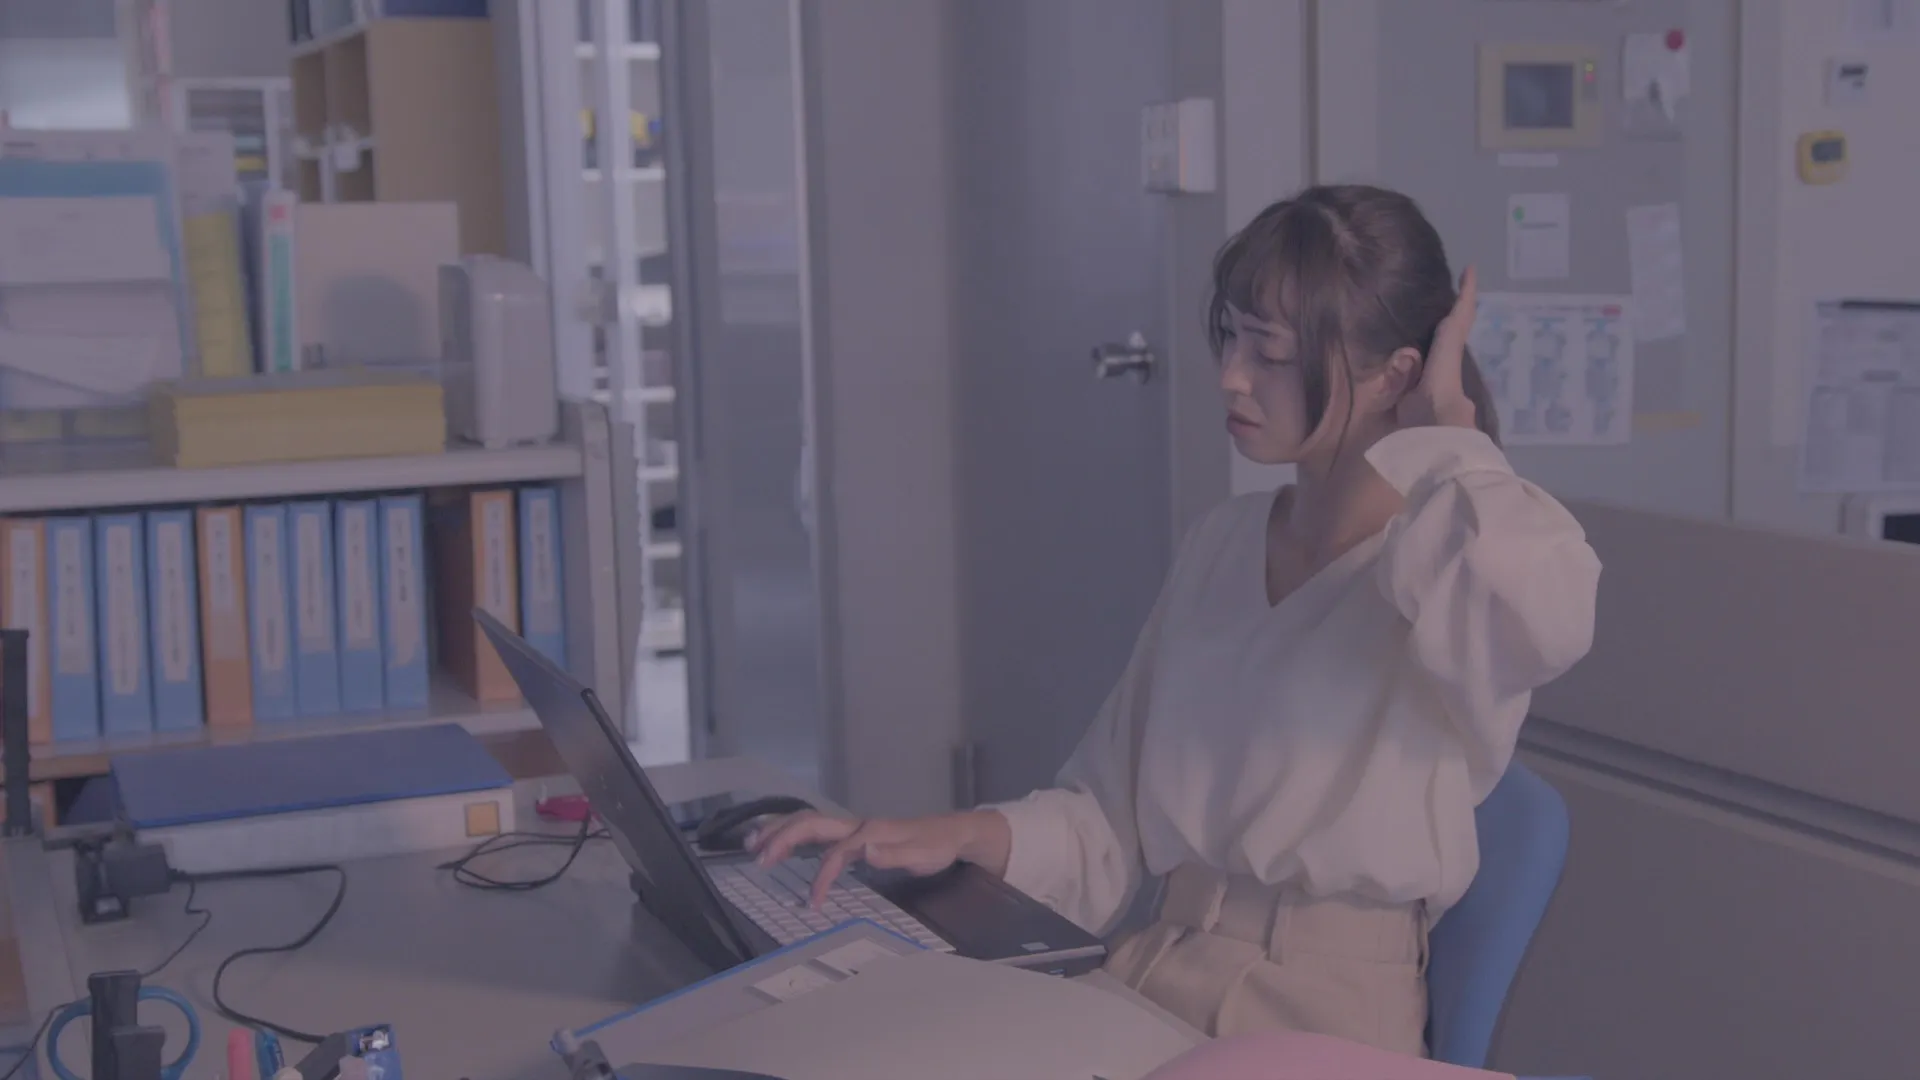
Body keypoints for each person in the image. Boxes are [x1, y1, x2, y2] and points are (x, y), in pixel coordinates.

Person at [750, 184, 1602, 1057]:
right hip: (1155, 968)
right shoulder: (1223, 542)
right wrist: (948, 835)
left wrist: (1450, 426)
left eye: (1271, 352)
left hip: (1326, 1022)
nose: (1231, 374)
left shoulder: (1450, 570)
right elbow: (1105, 819)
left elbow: (1547, 617)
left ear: (1394, 375)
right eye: (1230, 335)